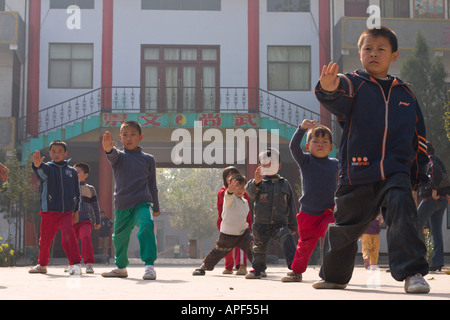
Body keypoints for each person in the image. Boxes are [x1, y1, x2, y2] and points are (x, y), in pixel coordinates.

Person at [314, 26, 430, 293]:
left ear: (394, 56)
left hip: (396, 171)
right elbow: (335, 94)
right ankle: (333, 275)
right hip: (357, 171)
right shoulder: (353, 84)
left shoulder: (406, 95)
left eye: (381, 49)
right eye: (368, 49)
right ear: (359, 53)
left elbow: (419, 138)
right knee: (345, 226)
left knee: (402, 209)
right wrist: (328, 88)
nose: (374, 54)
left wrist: (417, 175)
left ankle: (412, 273)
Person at [101, 121, 160, 280]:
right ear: (120, 138)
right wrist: (108, 149)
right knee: (120, 237)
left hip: (143, 202)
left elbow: (152, 184)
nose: (129, 138)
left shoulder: (148, 159)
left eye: (133, 134)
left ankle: (149, 266)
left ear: (140, 137)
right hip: (122, 204)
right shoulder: (119, 157)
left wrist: (156, 206)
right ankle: (120, 267)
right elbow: (112, 155)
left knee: (147, 226)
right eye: (125, 135)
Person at [281, 119, 339, 282]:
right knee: (304, 246)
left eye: (324, 141)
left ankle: (329, 272)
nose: (320, 144)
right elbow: (293, 147)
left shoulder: (336, 164)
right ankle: (296, 272)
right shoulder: (305, 161)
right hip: (308, 213)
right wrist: (301, 129)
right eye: (316, 141)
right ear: (308, 147)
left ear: (331, 147)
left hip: (328, 211)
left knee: (331, 234)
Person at [29, 140, 82, 276]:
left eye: (60, 151)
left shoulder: (72, 172)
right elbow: (40, 173)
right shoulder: (47, 168)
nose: (56, 154)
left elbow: (77, 192)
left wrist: (76, 210)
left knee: (69, 237)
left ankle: (75, 264)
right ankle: (42, 265)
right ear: (50, 153)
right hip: (49, 211)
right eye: (53, 151)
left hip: (66, 212)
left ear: (65, 153)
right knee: (45, 239)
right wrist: (37, 165)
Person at [245, 148, 297, 279]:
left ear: (279, 165)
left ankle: (295, 269)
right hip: (260, 224)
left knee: (287, 240)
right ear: (260, 166)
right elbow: (250, 194)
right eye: (265, 164)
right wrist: (256, 181)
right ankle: (258, 270)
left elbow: (291, 206)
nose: (269, 166)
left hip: (280, 224)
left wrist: (293, 226)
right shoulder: (257, 183)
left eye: (272, 163)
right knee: (258, 249)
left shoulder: (285, 184)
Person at [193, 174, 253, 276]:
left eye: (242, 187)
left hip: (243, 233)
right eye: (236, 187)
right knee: (217, 252)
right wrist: (230, 191)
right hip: (228, 234)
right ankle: (203, 267)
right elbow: (228, 195)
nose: (239, 190)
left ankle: (259, 268)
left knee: (253, 248)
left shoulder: (245, 201)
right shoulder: (229, 199)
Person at [417, 141, 450, 271]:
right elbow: (446, 177)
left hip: (431, 198)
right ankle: (437, 263)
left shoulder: (429, 159)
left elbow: (434, 172)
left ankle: (417, 260)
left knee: (415, 225)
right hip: (441, 200)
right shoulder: (439, 160)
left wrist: (433, 188)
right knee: (436, 232)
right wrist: (447, 193)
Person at [217, 166, 252, 275]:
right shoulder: (222, 192)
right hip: (227, 223)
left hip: (241, 224)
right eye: (228, 176)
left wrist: (249, 224)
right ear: (225, 179)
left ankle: (241, 266)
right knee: (227, 246)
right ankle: (228, 267)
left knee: (241, 245)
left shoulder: (244, 193)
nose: (231, 178)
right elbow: (221, 207)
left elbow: (247, 210)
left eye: (234, 175)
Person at [72, 162, 101, 273]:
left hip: (84, 221)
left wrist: (98, 221)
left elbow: (95, 206)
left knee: (85, 237)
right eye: (74, 172)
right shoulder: (68, 187)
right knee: (71, 242)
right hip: (71, 221)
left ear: (86, 175)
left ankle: (89, 264)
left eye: (78, 172)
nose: (75, 174)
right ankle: (74, 264)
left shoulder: (90, 189)